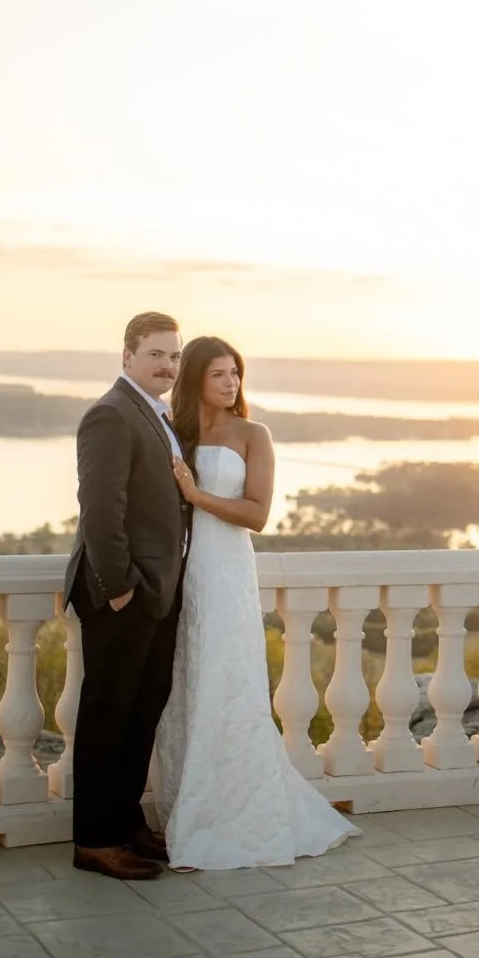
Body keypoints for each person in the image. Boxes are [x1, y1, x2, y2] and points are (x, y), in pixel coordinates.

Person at [154, 335, 359, 869]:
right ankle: (188, 809)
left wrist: (196, 495)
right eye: (219, 374)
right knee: (186, 685)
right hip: (180, 572)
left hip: (225, 571)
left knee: (226, 679)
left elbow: (257, 514)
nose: (231, 383)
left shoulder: (252, 434)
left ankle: (230, 816)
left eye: (235, 373)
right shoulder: (174, 431)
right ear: (195, 378)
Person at [62, 312, 189, 881]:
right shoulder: (111, 414)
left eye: (174, 356)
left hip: (158, 592)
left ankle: (126, 823)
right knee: (108, 715)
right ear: (127, 356)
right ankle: (95, 841)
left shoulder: (157, 414)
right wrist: (119, 589)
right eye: (156, 354)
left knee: (142, 712)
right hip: (123, 594)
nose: (167, 365)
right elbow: (100, 510)